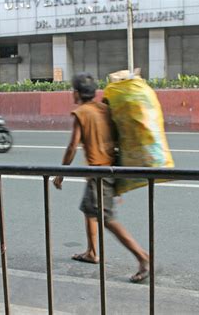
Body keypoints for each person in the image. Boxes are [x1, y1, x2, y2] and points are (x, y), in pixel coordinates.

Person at [53, 72, 150, 283]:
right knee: (89, 209)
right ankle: (92, 252)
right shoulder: (104, 109)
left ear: (76, 93)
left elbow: (72, 146)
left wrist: (61, 174)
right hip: (108, 169)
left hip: (99, 174)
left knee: (107, 219)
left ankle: (143, 257)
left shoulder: (82, 112)